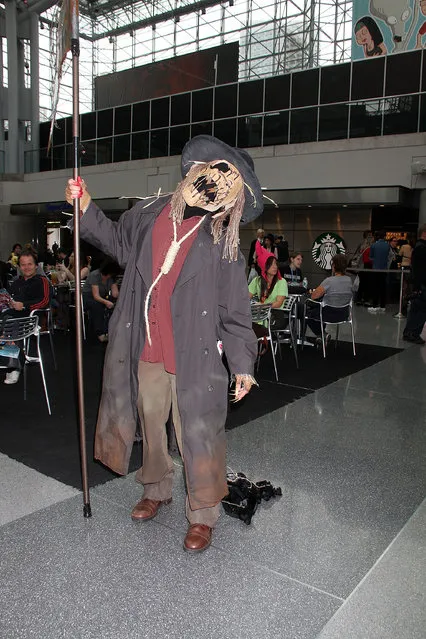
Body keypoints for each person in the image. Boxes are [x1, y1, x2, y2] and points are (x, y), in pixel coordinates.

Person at [65, 134, 261, 553]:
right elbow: (117, 242)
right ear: (194, 171)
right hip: (146, 344)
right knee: (152, 425)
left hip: (196, 352)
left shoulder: (223, 237)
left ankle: (203, 514)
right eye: (209, 169)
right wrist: (85, 207)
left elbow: (235, 308)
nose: (214, 179)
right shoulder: (150, 213)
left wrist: (243, 363)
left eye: (226, 176)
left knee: (199, 432)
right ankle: (156, 489)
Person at [1, 250, 51, 384]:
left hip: (31, 318)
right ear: (19, 267)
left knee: (10, 323)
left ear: (36, 266)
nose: (26, 267)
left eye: (30, 264)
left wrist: (25, 306)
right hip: (11, 315)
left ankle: (14, 365)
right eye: (23, 265)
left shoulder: (42, 281)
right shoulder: (17, 282)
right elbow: (9, 298)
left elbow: (45, 301)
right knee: (7, 319)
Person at [306, 254, 354, 345]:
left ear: (334, 266)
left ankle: (322, 334)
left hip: (328, 315)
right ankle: (322, 336)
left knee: (306, 312)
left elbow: (314, 296)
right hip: (344, 314)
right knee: (320, 310)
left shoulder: (329, 280)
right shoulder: (349, 280)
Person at [82, 261, 119, 342]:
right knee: (97, 305)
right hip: (89, 297)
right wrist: (106, 302)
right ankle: (100, 333)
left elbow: (115, 294)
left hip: (101, 297)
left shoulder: (111, 278)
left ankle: (110, 331)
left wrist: (115, 295)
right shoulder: (95, 275)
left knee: (115, 305)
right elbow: (95, 296)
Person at [403, 224, 426, 345]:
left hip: (418, 284)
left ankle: (409, 332)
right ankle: (413, 333)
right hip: (422, 284)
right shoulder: (422, 248)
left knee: (415, 309)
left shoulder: (418, 247)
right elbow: (420, 270)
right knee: (421, 310)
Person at [368, 230, 390, 313]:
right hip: (384, 269)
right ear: (384, 236)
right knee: (383, 287)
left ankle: (374, 305)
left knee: (375, 287)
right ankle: (382, 306)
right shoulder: (387, 246)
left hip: (376, 268)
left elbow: (370, 257)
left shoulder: (374, 245)